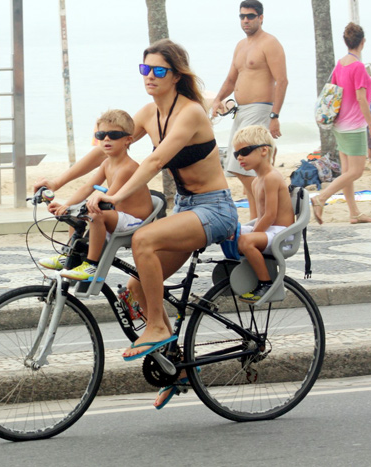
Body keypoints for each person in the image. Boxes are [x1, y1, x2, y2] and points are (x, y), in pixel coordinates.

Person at [41, 39, 237, 410]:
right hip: (185, 207)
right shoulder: (149, 112)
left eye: (158, 70)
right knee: (136, 287)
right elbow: (106, 146)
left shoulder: (191, 113)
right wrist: (57, 182)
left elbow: (154, 161)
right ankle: (176, 367)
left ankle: (159, 328)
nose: (149, 76)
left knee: (144, 240)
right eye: (144, 69)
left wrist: (112, 196)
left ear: (176, 75)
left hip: (215, 209)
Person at [38, 110, 153, 281]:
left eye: (113, 135)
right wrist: (66, 206)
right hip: (118, 216)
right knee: (76, 214)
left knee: (94, 214)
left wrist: (81, 206)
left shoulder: (128, 167)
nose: (106, 139)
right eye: (101, 135)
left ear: (128, 139)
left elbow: (111, 196)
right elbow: (87, 187)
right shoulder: (107, 162)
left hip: (134, 221)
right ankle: (70, 253)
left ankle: (91, 265)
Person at [210, 0, 288, 220]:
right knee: (240, 167)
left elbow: (282, 81)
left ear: (261, 18)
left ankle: (260, 217)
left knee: (246, 166)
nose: (246, 20)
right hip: (242, 111)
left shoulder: (270, 43)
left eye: (250, 16)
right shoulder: (240, 46)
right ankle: (258, 216)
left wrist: (275, 116)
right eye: (242, 16)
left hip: (260, 110)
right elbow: (232, 78)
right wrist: (217, 100)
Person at [311, 23, 371, 225]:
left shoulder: (340, 64)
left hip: (340, 124)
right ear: (362, 42)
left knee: (348, 171)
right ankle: (321, 198)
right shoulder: (358, 67)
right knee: (355, 172)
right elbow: (361, 99)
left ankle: (354, 213)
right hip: (354, 126)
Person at [231, 125, 294, 303]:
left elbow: (270, 215)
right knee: (230, 232)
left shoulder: (271, 177)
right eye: (237, 154)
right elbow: (260, 217)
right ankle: (239, 275)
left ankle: (265, 283)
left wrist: (253, 233)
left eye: (244, 151)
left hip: (282, 235)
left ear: (264, 150)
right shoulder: (256, 181)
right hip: (269, 231)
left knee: (245, 240)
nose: (240, 157)